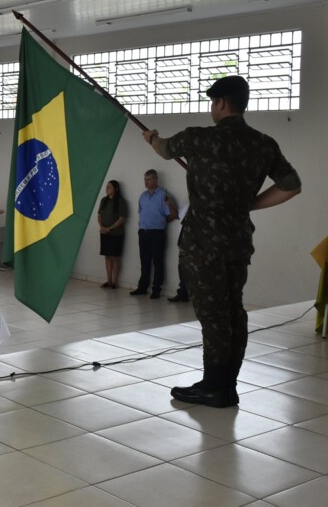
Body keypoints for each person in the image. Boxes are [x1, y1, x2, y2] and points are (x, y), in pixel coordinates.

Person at [143, 75, 301, 408]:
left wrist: (151, 137)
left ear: (221, 103)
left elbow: (164, 148)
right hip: (238, 243)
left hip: (202, 245)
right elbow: (291, 185)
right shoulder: (263, 144)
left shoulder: (198, 138)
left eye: (213, 102)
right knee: (233, 311)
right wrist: (249, 203)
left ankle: (215, 388)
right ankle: (225, 383)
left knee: (214, 316)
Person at [130, 169, 177, 299]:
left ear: (156, 180)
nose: (146, 182)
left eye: (149, 179)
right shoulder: (143, 196)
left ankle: (157, 289)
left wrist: (160, 221)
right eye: (145, 179)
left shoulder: (163, 195)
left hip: (157, 233)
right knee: (144, 261)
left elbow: (172, 215)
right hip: (143, 232)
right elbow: (141, 212)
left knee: (157, 261)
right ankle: (142, 287)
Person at [96, 180, 127, 289]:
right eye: (106, 187)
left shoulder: (121, 201)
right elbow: (99, 215)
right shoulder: (103, 200)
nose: (107, 189)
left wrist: (109, 228)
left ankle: (115, 282)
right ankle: (108, 281)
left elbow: (122, 219)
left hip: (116, 234)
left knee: (115, 257)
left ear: (116, 189)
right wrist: (101, 227)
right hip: (104, 233)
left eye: (109, 187)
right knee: (107, 257)